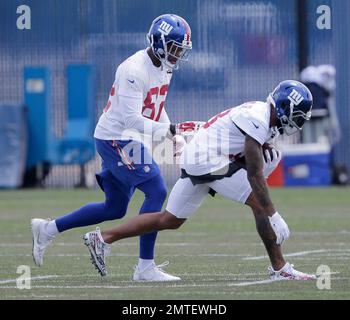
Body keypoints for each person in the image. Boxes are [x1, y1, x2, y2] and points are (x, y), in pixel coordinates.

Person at [83, 80, 317, 281]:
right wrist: (274, 215)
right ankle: (280, 268)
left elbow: (245, 154)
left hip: (202, 156)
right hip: (204, 159)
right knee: (258, 201)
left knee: (170, 219)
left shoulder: (264, 117)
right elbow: (254, 174)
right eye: (297, 116)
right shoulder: (257, 117)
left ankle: (103, 238)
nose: (298, 123)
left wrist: (261, 148)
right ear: (286, 107)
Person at [31, 14, 201, 282]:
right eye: (174, 48)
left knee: (114, 208)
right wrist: (171, 130)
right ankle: (145, 267)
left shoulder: (162, 67)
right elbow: (132, 119)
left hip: (127, 138)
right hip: (117, 138)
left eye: (180, 50)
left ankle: (48, 229)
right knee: (156, 190)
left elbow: (155, 106)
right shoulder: (133, 70)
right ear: (158, 42)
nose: (177, 54)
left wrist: (171, 135)